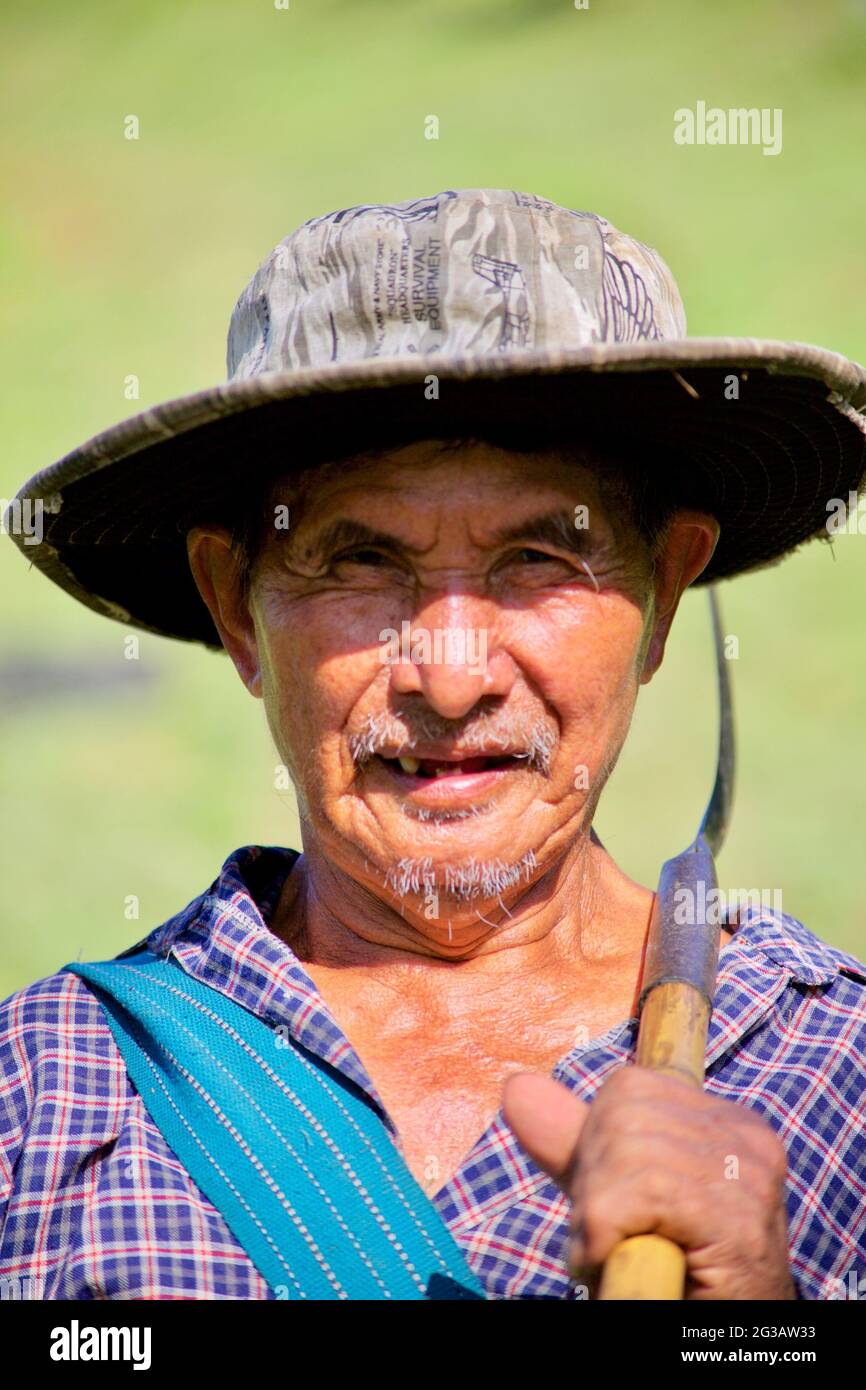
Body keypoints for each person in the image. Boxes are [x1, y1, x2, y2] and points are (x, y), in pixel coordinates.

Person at [3, 189, 865, 1301]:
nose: (451, 677)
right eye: (361, 562)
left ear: (661, 591)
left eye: (541, 557)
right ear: (234, 605)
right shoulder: (48, 1092)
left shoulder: (832, 1070)